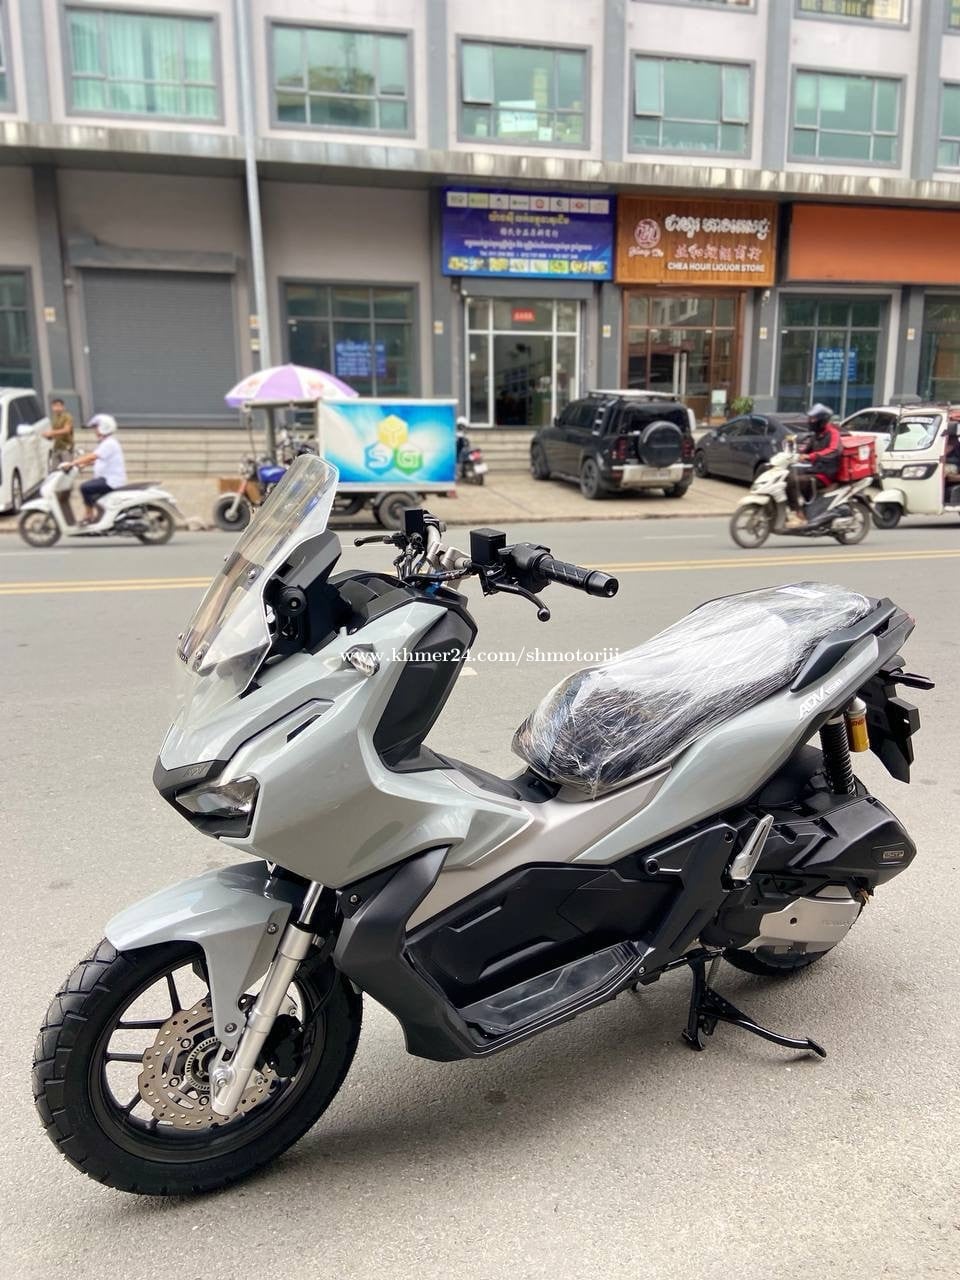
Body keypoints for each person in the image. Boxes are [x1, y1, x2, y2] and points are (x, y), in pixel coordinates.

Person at [61, 414, 127, 524]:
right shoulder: (107, 442)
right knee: (90, 490)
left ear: (104, 427)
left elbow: (93, 456)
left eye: (96, 427)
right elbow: (99, 459)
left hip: (111, 481)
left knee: (85, 487)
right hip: (107, 479)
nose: (95, 430)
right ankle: (95, 515)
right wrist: (83, 465)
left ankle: (89, 516)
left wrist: (72, 463)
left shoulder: (109, 443)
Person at [785, 403, 842, 526]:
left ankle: (798, 514)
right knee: (786, 476)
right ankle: (802, 509)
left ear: (822, 420)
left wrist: (812, 456)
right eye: (810, 418)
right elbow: (806, 451)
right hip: (815, 470)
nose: (810, 421)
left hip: (826, 474)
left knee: (793, 481)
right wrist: (793, 455)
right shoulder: (816, 434)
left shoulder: (833, 433)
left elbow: (833, 451)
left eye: (813, 419)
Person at [43, 397, 75, 468]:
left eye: (58, 406)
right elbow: (54, 434)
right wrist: (48, 436)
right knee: (55, 469)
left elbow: (67, 430)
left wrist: (52, 432)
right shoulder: (54, 418)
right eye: (54, 406)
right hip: (56, 447)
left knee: (67, 468)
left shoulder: (67, 416)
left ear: (63, 407)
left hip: (66, 447)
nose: (56, 408)